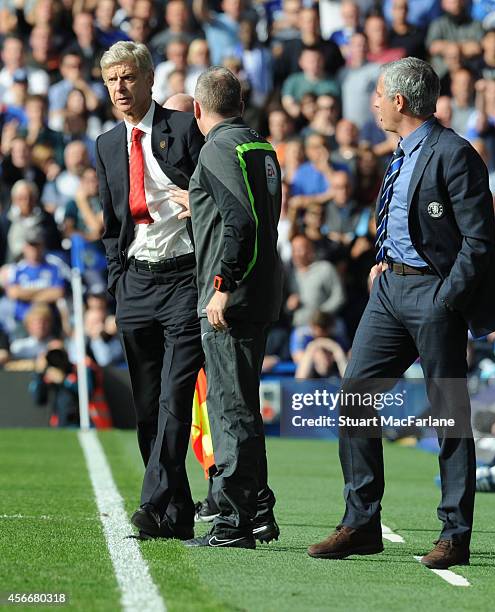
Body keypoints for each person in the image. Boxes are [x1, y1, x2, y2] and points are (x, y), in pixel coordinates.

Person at [307, 58, 495, 569]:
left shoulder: (455, 154)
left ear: (399, 102)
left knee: (448, 413)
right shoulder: (399, 152)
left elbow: (478, 240)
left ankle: (455, 534)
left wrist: (446, 299)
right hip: (389, 290)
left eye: (379, 95)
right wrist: (385, 262)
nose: (374, 103)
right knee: (356, 396)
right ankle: (360, 524)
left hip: (433, 295)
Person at [95, 41, 205, 541]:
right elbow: (111, 221)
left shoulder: (183, 129)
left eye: (128, 77)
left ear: (149, 79)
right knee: (145, 405)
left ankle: (151, 502)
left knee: (174, 398)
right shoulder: (104, 144)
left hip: (185, 277)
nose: (120, 88)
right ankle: (177, 512)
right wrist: (118, 282)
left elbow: (218, 192)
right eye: (111, 79)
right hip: (136, 282)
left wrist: (198, 204)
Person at [184, 66, 283, 548]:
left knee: (229, 406)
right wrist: (198, 203)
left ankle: (234, 519)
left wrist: (222, 283)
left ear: (198, 109)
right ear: (241, 106)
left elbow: (240, 222)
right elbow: (252, 212)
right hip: (262, 289)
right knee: (241, 400)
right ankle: (259, 509)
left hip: (231, 296)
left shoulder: (216, 148)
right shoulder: (258, 145)